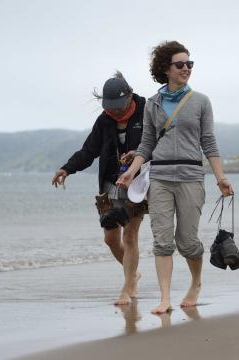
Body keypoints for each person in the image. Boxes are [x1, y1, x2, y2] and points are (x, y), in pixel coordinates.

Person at [117, 41, 233, 314]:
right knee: (162, 240)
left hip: (191, 177)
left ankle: (195, 284)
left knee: (187, 241)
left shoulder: (201, 102)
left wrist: (220, 178)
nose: (186, 69)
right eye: (180, 64)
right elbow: (146, 144)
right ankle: (165, 297)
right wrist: (130, 173)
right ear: (165, 69)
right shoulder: (153, 104)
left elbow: (209, 143)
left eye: (189, 64)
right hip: (160, 179)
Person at [52, 72, 146, 305]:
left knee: (131, 234)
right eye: (109, 107)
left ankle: (127, 287)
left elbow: (156, 143)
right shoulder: (104, 121)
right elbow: (88, 151)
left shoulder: (146, 110)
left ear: (130, 96)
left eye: (118, 106)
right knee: (111, 238)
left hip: (138, 181)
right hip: (109, 183)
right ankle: (132, 273)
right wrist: (67, 169)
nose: (113, 111)